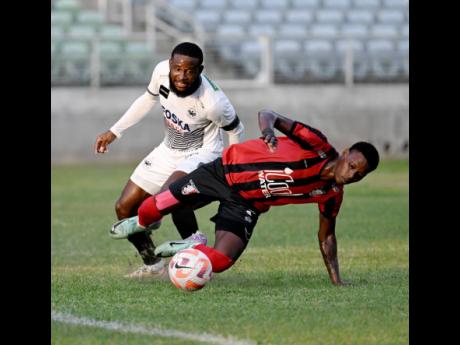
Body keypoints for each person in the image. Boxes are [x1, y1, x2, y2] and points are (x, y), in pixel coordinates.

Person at [109, 109, 379, 285]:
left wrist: (337, 280)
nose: (352, 174)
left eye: (359, 174)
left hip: (246, 204)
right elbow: (268, 114)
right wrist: (268, 132)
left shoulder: (331, 195)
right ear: (345, 153)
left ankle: (189, 250)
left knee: (223, 261)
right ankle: (140, 223)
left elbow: (327, 236)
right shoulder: (317, 145)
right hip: (223, 172)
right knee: (160, 203)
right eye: (352, 165)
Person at [94, 42, 245, 278]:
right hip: (168, 150)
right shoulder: (160, 72)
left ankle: (195, 245)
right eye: (177, 69)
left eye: (189, 70)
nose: (182, 76)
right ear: (169, 65)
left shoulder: (213, 102)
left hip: (202, 153)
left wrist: (232, 171)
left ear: (200, 70)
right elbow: (147, 99)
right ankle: (153, 264)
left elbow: (236, 130)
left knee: (171, 195)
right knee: (123, 208)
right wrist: (115, 131)